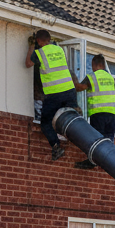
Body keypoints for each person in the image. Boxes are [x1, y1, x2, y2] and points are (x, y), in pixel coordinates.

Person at [25, 30, 83, 162]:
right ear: (50, 39)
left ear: (38, 41)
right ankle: (79, 134)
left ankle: (56, 146)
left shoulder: (40, 53)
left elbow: (28, 63)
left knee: (46, 123)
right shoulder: (60, 50)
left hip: (54, 94)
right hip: (69, 91)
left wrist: (31, 47)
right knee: (72, 117)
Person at [74, 54, 115, 170]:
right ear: (103, 65)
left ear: (94, 65)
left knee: (96, 140)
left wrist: (71, 82)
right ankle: (110, 161)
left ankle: (92, 161)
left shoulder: (92, 76)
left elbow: (80, 88)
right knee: (108, 140)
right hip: (112, 113)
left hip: (98, 112)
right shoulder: (110, 78)